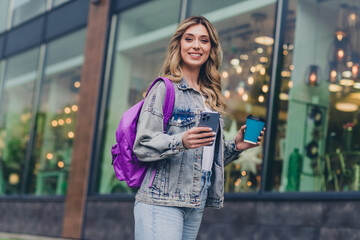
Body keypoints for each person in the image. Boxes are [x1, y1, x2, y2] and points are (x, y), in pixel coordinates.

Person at [133, 16, 265, 240]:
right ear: (179, 45)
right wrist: (180, 141)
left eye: (204, 40)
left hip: (196, 202)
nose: (196, 45)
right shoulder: (165, 88)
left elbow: (201, 157)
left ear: (211, 49)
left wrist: (236, 146)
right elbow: (143, 145)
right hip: (162, 201)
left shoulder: (209, 97)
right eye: (189, 39)